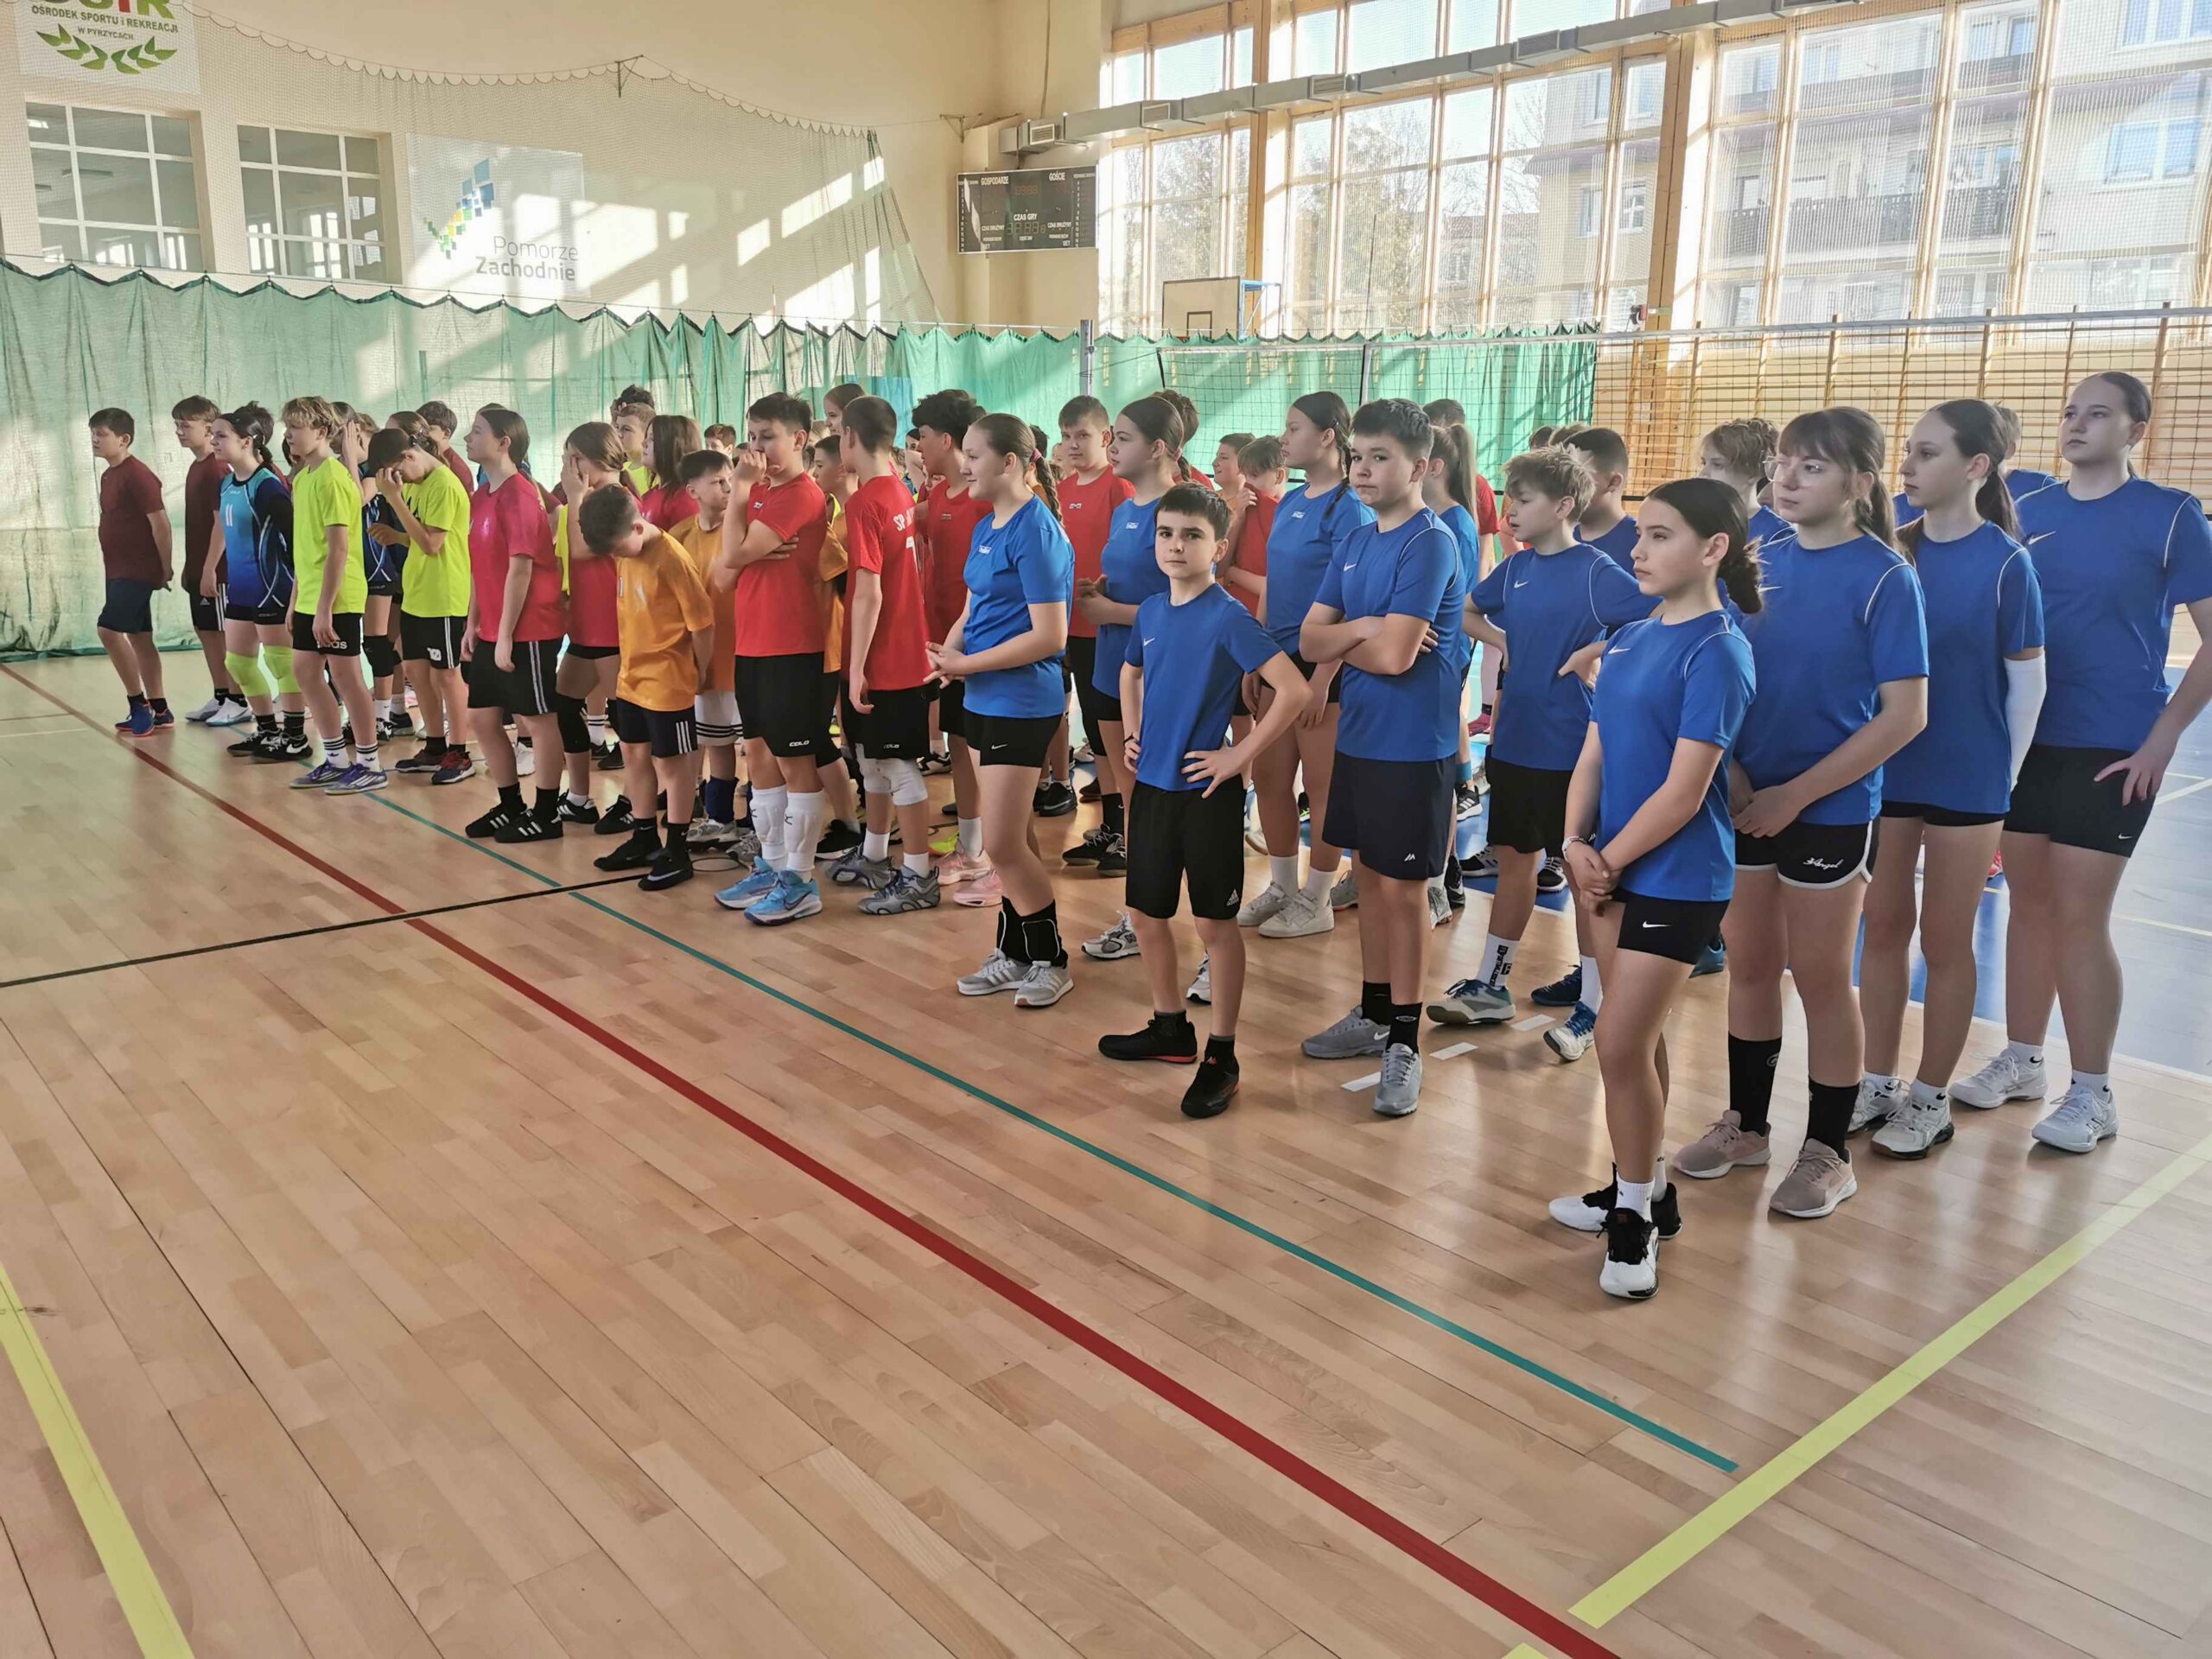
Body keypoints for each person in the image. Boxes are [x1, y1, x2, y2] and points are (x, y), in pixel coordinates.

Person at [1675, 406, 1929, 1218]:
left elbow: (1904, 716)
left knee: (1821, 977)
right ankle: (1747, 1126)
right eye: (1783, 462)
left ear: (1860, 482)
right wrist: (1732, 768)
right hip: (1745, 798)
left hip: (1827, 808)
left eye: (1811, 466)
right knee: (1750, 966)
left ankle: (1827, 1150)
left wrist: (1798, 794)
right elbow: (1718, 665)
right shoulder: (1757, 560)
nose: (1786, 478)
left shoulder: (1886, 578)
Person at [1961, 372, 2212, 1152]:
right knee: (2026, 906)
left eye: (2097, 414)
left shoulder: (2171, 515)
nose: (2075, 423)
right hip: (2028, 741)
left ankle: (2094, 1091)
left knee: (2079, 915)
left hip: (2114, 747)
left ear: (2135, 430)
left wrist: (2162, 739)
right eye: (2070, 411)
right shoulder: (2028, 510)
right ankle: (2023, 1059)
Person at [1547, 479, 1760, 1299]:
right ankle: (1648, 1191)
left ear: (1713, 549)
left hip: (1678, 876)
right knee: (1638, 1039)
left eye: (1660, 535)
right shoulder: (1630, 638)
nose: (1637, 550)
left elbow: (1685, 791)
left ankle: (1634, 1217)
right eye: (1639, 534)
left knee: (1618, 1041)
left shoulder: (1720, 651)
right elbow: (1594, 755)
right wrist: (1574, 843)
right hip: (1609, 867)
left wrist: (1604, 859)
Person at [1854, 401, 2046, 1159]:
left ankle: (1930, 1098)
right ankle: (1877, 1081)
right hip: (1891, 768)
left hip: (1970, 779)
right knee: (1882, 925)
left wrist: (2003, 785)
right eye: (1907, 450)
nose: (1906, 466)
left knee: (1945, 937)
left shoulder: (2007, 564)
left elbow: (2026, 687)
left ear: (1976, 467)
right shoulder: (1890, 553)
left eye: (1927, 453)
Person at [1102, 484, 1309, 1118]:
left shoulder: (1228, 617)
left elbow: (1294, 690)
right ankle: (1170, 1027)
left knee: (1214, 926)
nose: (1175, 545)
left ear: (1217, 548)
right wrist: (1132, 731)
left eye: (1191, 535)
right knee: (1146, 915)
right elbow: (1129, 672)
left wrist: (1239, 756)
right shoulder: (1150, 611)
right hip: (1154, 788)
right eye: (1166, 533)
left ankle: (1222, 1054)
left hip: (1207, 792)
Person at [1433, 445, 1647, 1047]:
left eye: (1523, 500)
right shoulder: (1517, 568)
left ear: (1563, 506)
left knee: (1583, 878)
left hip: (1571, 750)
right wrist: (1507, 640)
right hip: (1515, 742)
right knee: (1516, 863)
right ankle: (1491, 985)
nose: (1510, 511)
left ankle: (1595, 1005)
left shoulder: (1596, 571)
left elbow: (1659, 616)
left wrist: (1595, 652)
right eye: (1509, 499)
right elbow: (1468, 610)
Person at [1297, 398, 1470, 1119]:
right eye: (1358, 457)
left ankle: (1404, 1038)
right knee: (1368, 881)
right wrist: (1365, 627)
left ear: (1420, 466)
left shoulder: (1430, 543)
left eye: (1380, 458)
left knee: (1403, 895)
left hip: (1413, 747)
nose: (1363, 469)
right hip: (1361, 739)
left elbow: (1398, 658)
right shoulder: (1356, 540)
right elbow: (1309, 639)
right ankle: (1372, 1013)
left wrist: (1355, 640)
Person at [938, 415, 1077, 1007]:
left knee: (1000, 843)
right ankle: (1016, 953)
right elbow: (974, 606)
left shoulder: (1037, 532)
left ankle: (1051, 960)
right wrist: (950, 655)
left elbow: (1050, 636)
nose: (964, 464)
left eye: (974, 455)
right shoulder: (987, 525)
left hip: (1021, 701)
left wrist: (968, 663)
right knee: (1014, 836)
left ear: (1012, 463)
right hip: (981, 694)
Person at [1242, 391, 1376, 939]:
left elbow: (1353, 603)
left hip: (1322, 664)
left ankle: (1317, 897)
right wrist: (1255, 656)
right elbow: (1274, 586)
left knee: (1321, 788)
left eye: (1294, 427)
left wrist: (1323, 678)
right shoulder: (1292, 501)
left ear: (1326, 437)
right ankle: (1282, 886)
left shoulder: (1351, 510)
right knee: (1270, 778)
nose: (1283, 437)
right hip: (1276, 659)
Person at [709, 391, 835, 925]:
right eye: (752, 437)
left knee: (795, 762)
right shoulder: (758, 491)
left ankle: (800, 882)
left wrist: (738, 499)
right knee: (757, 757)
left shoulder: (800, 495)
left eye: (768, 437)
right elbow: (721, 575)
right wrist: (742, 532)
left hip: (794, 646)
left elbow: (732, 554)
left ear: (799, 439)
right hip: (752, 644)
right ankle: (773, 863)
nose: (756, 449)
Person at [1074, 396, 1187, 963]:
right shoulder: (1126, 509)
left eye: (1123, 438)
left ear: (1159, 448)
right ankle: (1141, 915)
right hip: (1114, 667)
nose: (1112, 446)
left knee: (1157, 803)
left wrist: (1113, 611)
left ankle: (1152, 916)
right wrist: (1103, 592)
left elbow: (1187, 604)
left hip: (1159, 674)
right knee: (1133, 799)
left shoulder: (1179, 510)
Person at [831, 394, 942, 912]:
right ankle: (875, 853)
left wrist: (855, 668)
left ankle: (918, 874)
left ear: (850, 437)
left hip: (889, 659)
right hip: (897, 653)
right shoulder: (898, 488)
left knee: (897, 766)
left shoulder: (866, 501)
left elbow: (869, 593)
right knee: (871, 760)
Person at [575, 485, 714, 891]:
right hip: (632, 677)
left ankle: (677, 849)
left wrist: (701, 672)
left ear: (638, 527)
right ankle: (645, 836)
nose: (615, 556)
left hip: (669, 680)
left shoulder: (672, 560)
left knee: (673, 764)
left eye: (618, 548)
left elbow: (703, 625)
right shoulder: (626, 553)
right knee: (633, 755)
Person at [461, 405, 569, 839]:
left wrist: (505, 634)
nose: (467, 438)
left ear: (504, 442)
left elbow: (520, 568)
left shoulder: (522, 494)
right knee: (482, 719)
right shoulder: (481, 497)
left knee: (538, 719)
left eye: (477, 431)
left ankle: (547, 813)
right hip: (492, 627)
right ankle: (510, 805)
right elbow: (479, 568)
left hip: (530, 628)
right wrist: (473, 623)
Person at [279, 396, 386, 794]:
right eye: (287, 427)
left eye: (296, 427)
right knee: (305, 672)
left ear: (322, 432)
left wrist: (325, 608)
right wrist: (296, 601)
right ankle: (336, 759)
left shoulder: (334, 478)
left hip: (338, 597)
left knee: (347, 677)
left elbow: (339, 549)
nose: (288, 435)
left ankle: (370, 763)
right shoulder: (303, 478)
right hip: (311, 594)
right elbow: (305, 548)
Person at [912, 390, 995, 886]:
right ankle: (971, 844)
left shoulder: (984, 500)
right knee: (960, 747)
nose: (918, 446)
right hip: (945, 645)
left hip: (978, 647)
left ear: (946, 439)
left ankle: (986, 851)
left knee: (980, 752)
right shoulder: (939, 495)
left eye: (922, 436)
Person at [369, 426, 474, 784]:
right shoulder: (415, 483)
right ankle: (435, 745)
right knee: (416, 669)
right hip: (417, 593)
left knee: (447, 674)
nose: (398, 480)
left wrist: (395, 500)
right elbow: (420, 536)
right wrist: (397, 536)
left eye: (398, 471)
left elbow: (432, 545)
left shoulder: (443, 484)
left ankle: (460, 752)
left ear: (409, 455)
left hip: (443, 595)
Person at [209, 404, 307, 763]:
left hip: (271, 589)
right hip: (241, 590)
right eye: (213, 435)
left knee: (283, 665)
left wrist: (298, 589)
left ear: (247, 441)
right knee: (238, 663)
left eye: (221, 435)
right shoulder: (226, 483)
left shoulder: (266, 486)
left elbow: (296, 539)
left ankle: (295, 737)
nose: (214, 441)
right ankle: (267, 732)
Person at [1057, 394, 1135, 830]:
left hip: (1106, 627)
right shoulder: (1061, 490)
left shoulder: (1118, 487)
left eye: (1082, 435)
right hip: (1067, 625)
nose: (1072, 444)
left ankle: (1123, 823)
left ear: (1105, 437)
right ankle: (1110, 822)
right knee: (1092, 722)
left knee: (1114, 727)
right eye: (1066, 436)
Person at [549, 423, 632, 827]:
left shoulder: (617, 500)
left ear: (600, 458)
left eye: (576, 458)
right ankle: (579, 797)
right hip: (585, 624)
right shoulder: (586, 501)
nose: (570, 467)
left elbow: (583, 550)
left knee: (626, 718)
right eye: (567, 459)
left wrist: (574, 496)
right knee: (564, 705)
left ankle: (634, 801)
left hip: (614, 625)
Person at [669, 448, 748, 854]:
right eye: (717, 482)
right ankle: (720, 819)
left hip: (745, 652)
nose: (728, 487)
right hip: (705, 658)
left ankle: (757, 823)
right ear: (692, 491)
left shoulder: (744, 528)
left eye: (730, 479)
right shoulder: (680, 535)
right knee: (716, 741)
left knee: (756, 746)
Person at [89, 408, 175, 736]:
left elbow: (161, 525)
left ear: (123, 439)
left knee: (108, 631)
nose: (94, 439)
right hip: (117, 569)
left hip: (137, 571)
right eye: (93, 433)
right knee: (140, 637)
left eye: (101, 434)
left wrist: (164, 567)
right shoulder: (109, 475)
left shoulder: (138, 475)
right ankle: (161, 708)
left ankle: (139, 704)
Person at [171, 395, 245, 726]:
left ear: (208, 428)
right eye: (177, 425)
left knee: (222, 633)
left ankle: (238, 699)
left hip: (220, 570)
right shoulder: (197, 467)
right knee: (206, 631)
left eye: (186, 425)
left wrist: (210, 568)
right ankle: (221, 694)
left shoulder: (217, 468)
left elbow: (222, 523)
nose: (179, 431)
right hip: (200, 568)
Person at [1219, 434, 1282, 621]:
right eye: (1245, 476)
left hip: (1265, 618)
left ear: (1279, 476)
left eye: (1254, 476)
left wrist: (1234, 573)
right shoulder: (1243, 510)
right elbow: (1220, 567)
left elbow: (1275, 587)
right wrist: (1238, 517)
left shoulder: (1286, 517)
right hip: (1235, 609)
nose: (1248, 484)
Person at [639, 414, 701, 531]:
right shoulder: (650, 495)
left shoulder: (684, 499)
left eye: (652, 439)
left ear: (673, 446)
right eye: (646, 437)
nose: (644, 443)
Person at [419, 401, 474, 493]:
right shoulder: (420, 459)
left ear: (446, 433)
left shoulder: (458, 469)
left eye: (428, 429)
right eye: (420, 429)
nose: (422, 434)